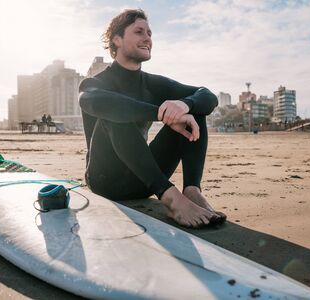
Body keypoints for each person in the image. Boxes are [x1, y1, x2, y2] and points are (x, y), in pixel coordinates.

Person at [79, 9, 226, 228]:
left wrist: (182, 106)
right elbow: (95, 101)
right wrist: (162, 114)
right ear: (117, 39)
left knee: (193, 111)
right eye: (139, 31)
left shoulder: (153, 83)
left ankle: (192, 191)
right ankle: (172, 199)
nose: (147, 38)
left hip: (145, 179)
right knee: (115, 113)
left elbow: (207, 95)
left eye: (149, 33)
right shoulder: (94, 83)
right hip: (105, 181)